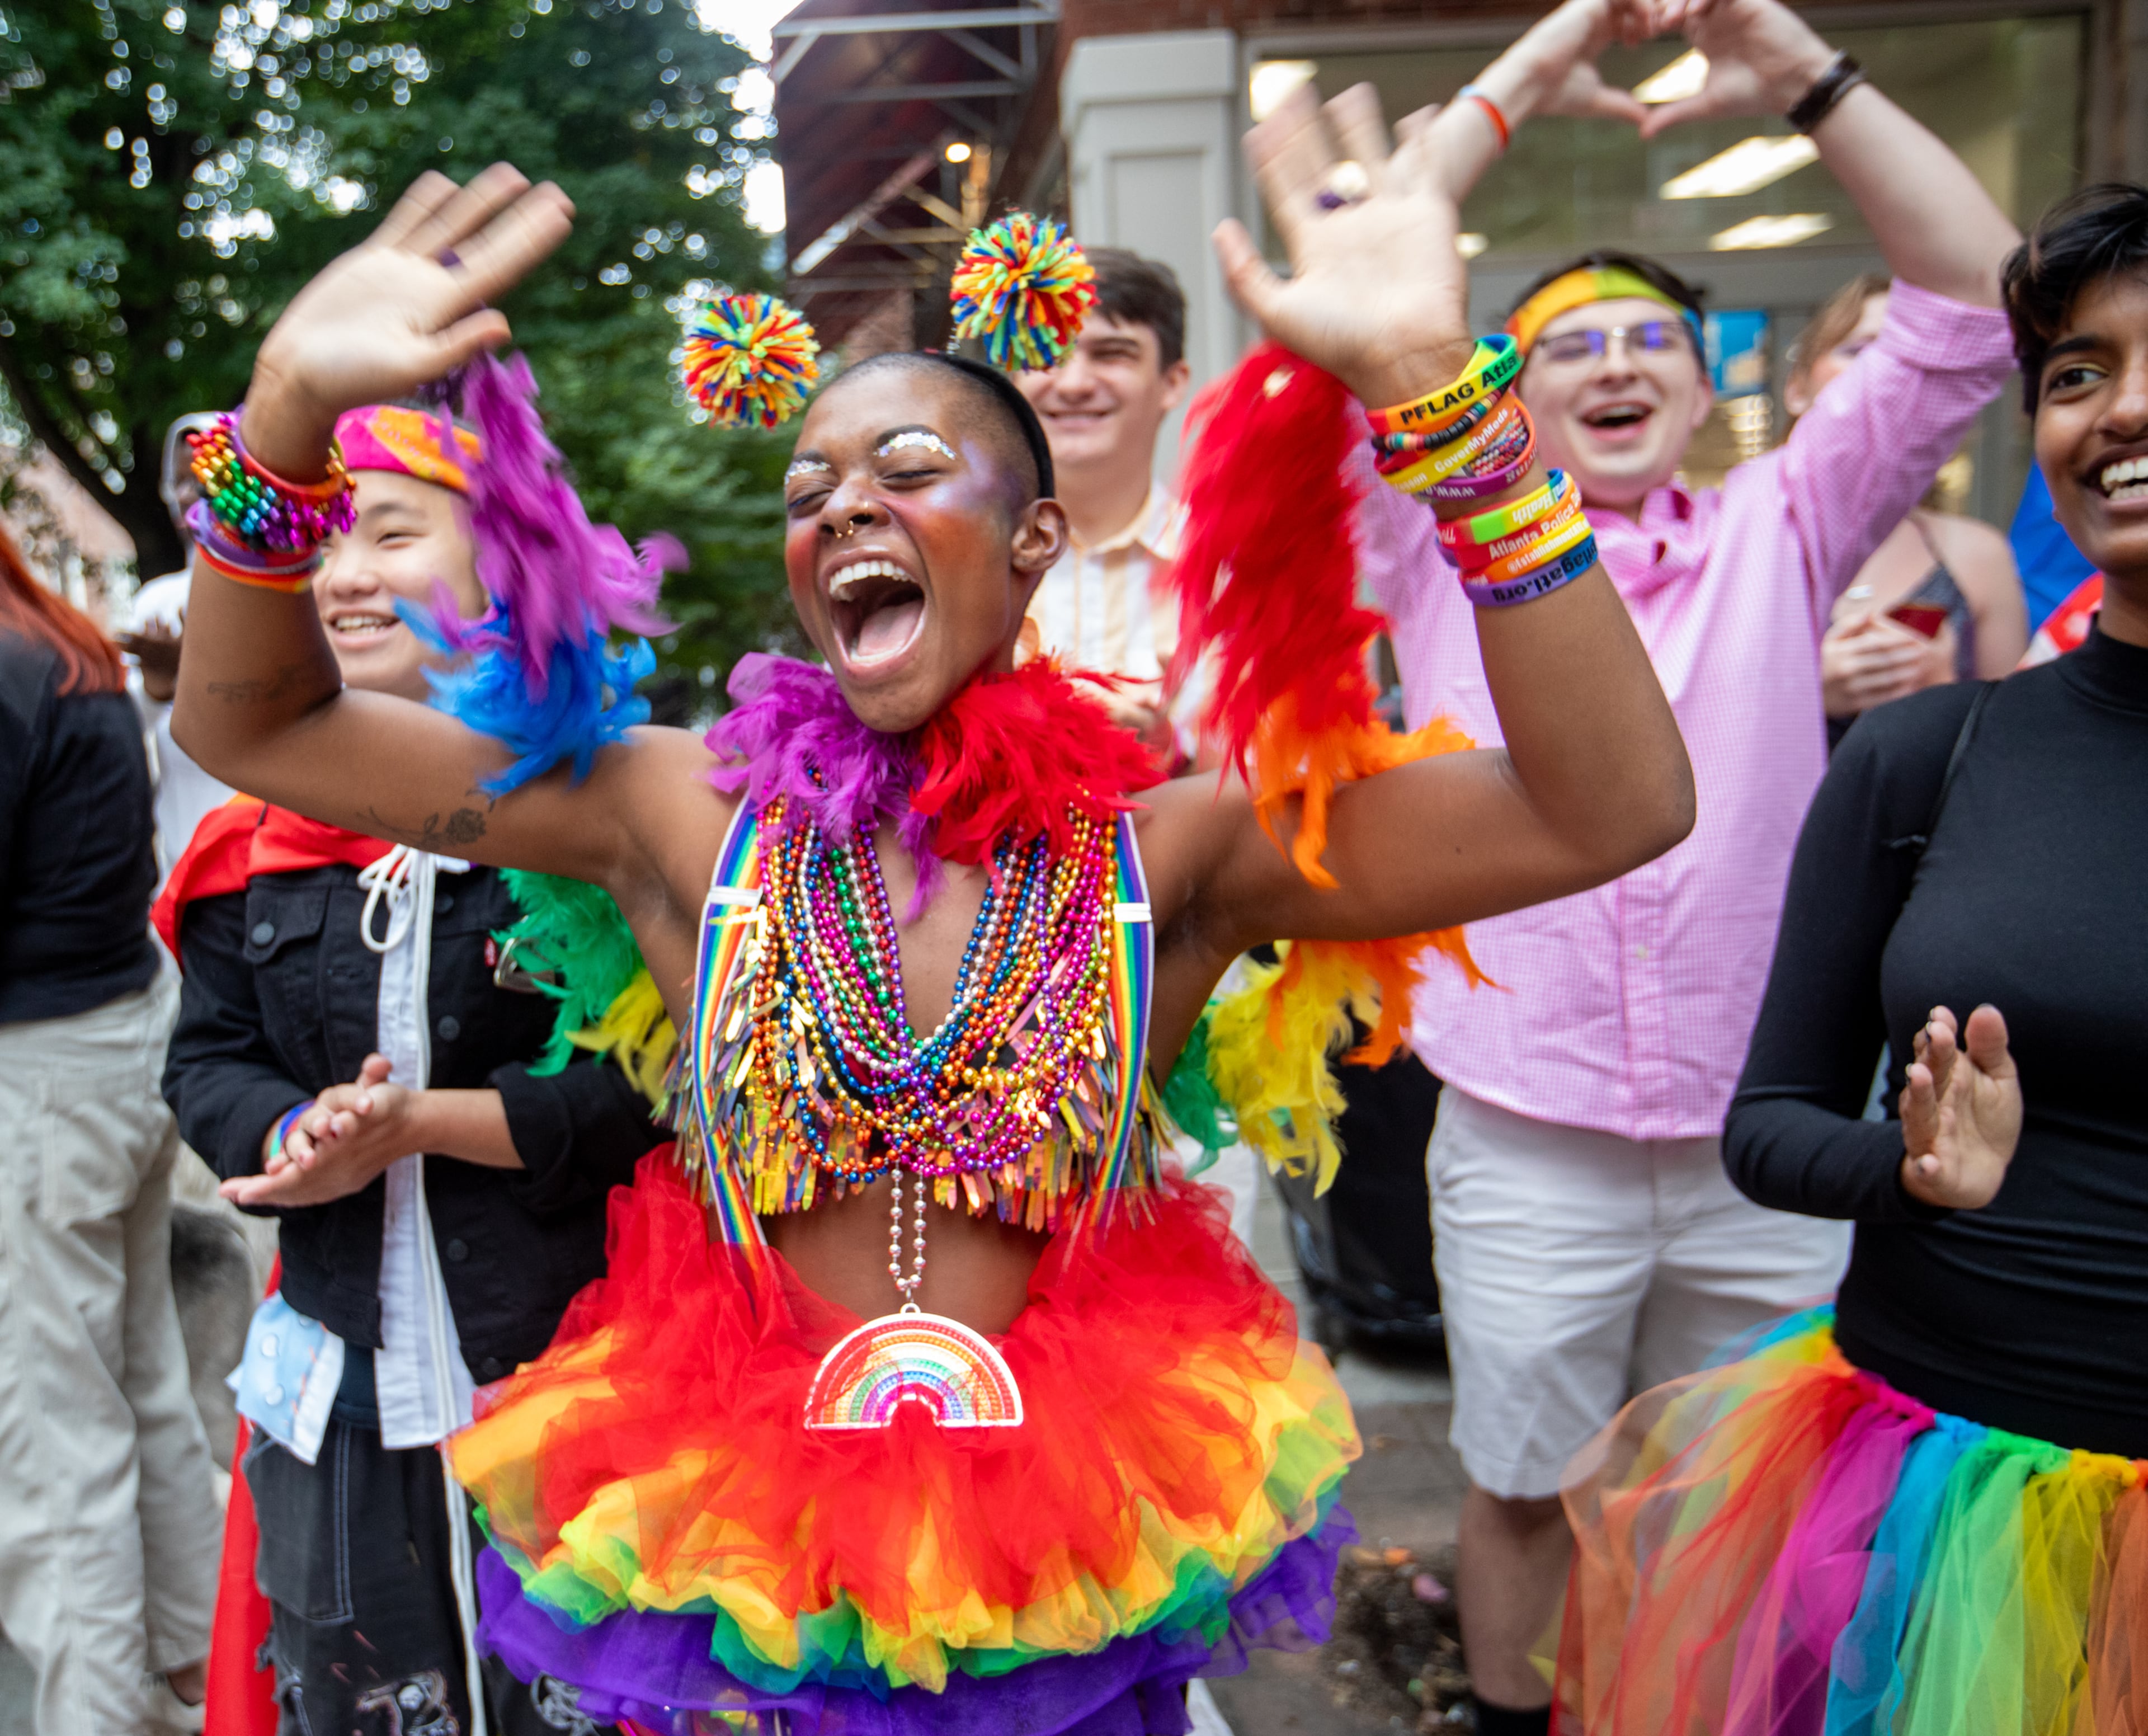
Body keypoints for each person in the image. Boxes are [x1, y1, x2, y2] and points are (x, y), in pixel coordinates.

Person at [165, 108, 1695, 1730]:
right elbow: (257, 727)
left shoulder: (1167, 851)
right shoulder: (679, 813)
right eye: (811, 488)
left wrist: (1444, 406)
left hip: (1080, 1532)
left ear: (1034, 544)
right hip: (736, 1545)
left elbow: (1609, 805)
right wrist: (283, 420)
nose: (842, 508)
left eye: (907, 469)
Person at [1348, 0, 2023, 1726]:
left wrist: (1783, 58)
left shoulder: (1782, 526)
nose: (1613, 366)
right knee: (1512, 1484)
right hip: (1520, 1124)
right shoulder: (1428, 535)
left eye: (1651, 337)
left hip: (1767, 1128)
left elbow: (1972, 294)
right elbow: (1364, 287)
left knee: (1764, 1499)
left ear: (1703, 375)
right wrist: (1539, 51)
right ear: (1505, 385)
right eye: (1567, 345)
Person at [1556, 179, 2148, 1735]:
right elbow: (1772, 1117)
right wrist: (1912, 1170)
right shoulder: (1925, 755)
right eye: (2078, 372)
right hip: (1926, 1511)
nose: (2119, 408)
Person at [155, 400, 669, 1736]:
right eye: (321, 540)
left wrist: (429, 1123)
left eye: (388, 529)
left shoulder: (593, 816)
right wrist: (289, 1132)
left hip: (574, 1366)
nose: (344, 571)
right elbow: (206, 1059)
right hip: (337, 1386)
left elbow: (655, 1092)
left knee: (579, 1699)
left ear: (502, 560)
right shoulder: (244, 848)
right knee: (367, 1700)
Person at [0, 521, 223, 1734]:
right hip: (121, 1041)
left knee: (49, 1436)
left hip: (39, 1081)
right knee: (140, 1382)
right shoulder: (63, 646)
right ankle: (198, 1671)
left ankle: (99, 1716)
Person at [1785, 275, 2028, 740]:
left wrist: (1942, 689)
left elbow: (2014, 743)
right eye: (1860, 351)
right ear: (1796, 389)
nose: (1884, 377)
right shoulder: (1741, 547)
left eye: (1903, 360)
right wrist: (1803, 693)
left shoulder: (1977, 555)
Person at [1014, 246, 1193, 763]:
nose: (1072, 384)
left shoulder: (1242, 571)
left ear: (1172, 382)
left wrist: (1180, 755)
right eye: (1047, 355)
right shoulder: (960, 567)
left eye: (1112, 353)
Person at [118, 413, 235, 891]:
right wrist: (153, 692)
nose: (189, 495)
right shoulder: (157, 604)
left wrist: (207, 674)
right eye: (180, 481)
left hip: (277, 860)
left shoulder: (291, 598)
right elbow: (123, 729)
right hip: (185, 861)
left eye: (205, 479)